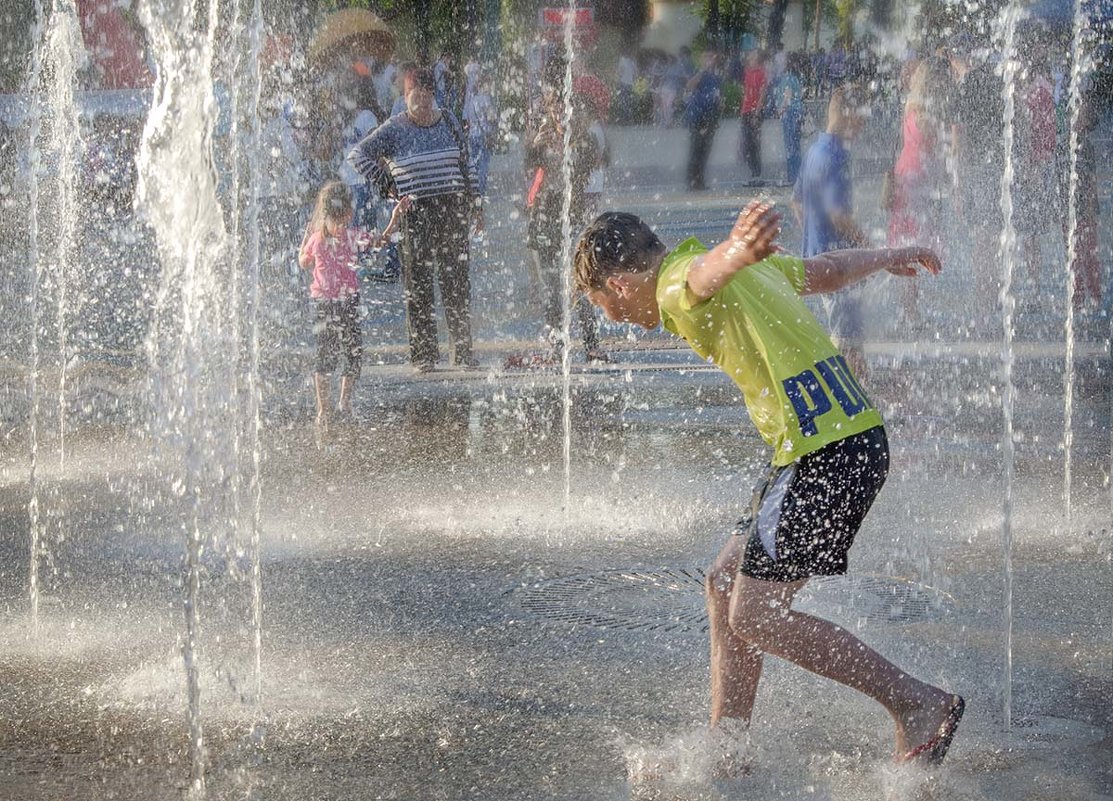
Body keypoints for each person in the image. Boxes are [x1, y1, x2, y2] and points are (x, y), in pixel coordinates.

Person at [573, 205, 964, 778]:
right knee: (725, 580)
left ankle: (917, 701)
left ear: (619, 283)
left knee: (755, 615)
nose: (620, 319)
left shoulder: (681, 283)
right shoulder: (746, 267)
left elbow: (701, 279)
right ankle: (727, 743)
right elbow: (827, 271)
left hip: (825, 451)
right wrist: (889, 255)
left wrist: (734, 250)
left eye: (609, 308)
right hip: (831, 444)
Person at [348, 67, 482, 372]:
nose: (421, 99)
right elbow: (357, 155)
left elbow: (466, 162)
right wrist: (386, 182)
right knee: (418, 284)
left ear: (434, 95)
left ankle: (462, 352)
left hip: (452, 209)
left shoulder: (448, 120)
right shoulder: (394, 128)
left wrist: (476, 205)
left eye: (426, 93)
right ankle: (423, 356)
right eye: (414, 94)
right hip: (415, 213)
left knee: (457, 283)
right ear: (405, 97)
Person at [298, 182, 411, 428]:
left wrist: (305, 238)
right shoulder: (352, 236)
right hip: (347, 301)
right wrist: (395, 218)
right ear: (348, 212)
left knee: (324, 356)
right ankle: (344, 403)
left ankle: (323, 410)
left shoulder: (317, 238)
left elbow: (303, 262)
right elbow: (381, 242)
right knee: (352, 353)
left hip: (322, 304)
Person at [521, 74, 605, 364]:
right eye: (554, 106)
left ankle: (592, 344)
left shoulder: (586, 139)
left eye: (565, 106)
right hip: (544, 218)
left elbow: (585, 170)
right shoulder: (542, 135)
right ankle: (556, 347)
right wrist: (534, 146)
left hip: (574, 216)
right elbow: (527, 166)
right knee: (551, 287)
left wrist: (566, 145)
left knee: (582, 281)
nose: (559, 112)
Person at [792, 84, 871, 377]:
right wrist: (870, 249)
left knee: (844, 332)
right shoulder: (837, 155)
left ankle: (854, 393)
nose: (862, 127)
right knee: (849, 341)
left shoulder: (815, 149)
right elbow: (839, 215)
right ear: (848, 115)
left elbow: (797, 202)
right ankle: (856, 405)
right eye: (861, 119)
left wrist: (815, 239)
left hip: (818, 259)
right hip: (839, 264)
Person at [886, 56, 953, 325]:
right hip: (915, 184)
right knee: (911, 248)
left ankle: (908, 310)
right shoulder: (925, 114)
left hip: (908, 177)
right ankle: (910, 313)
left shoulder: (911, 105)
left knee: (907, 245)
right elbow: (939, 147)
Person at [947, 35, 1003, 322]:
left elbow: (958, 138)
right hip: (997, 170)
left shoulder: (965, 87)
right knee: (991, 237)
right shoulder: (997, 79)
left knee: (981, 238)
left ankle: (982, 304)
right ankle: (992, 299)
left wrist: (957, 184)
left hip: (976, 171)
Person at [684, 50, 722, 192]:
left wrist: (718, 107)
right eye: (707, 57)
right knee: (696, 149)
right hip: (697, 116)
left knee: (705, 150)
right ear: (701, 60)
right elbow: (689, 86)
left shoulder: (715, 76)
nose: (710, 60)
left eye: (711, 58)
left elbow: (717, 94)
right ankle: (692, 180)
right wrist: (702, 71)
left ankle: (700, 180)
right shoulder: (696, 72)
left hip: (710, 116)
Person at [777, 52, 806, 186]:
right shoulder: (796, 77)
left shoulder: (787, 77)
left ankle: (793, 177)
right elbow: (799, 95)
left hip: (789, 113)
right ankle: (798, 176)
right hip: (798, 112)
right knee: (796, 145)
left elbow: (787, 96)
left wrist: (780, 109)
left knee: (790, 146)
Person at [740, 50, 767, 182]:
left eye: (752, 56)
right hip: (746, 111)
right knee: (747, 142)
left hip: (754, 111)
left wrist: (757, 112)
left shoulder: (761, 73)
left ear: (757, 60)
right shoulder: (747, 72)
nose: (749, 57)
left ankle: (757, 173)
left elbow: (762, 94)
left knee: (754, 142)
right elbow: (746, 92)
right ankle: (753, 171)